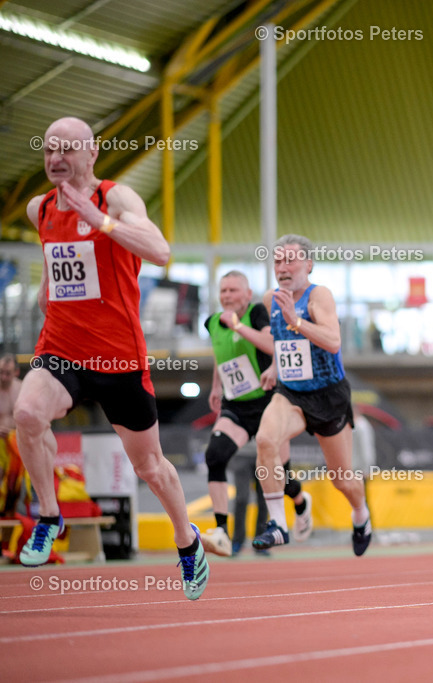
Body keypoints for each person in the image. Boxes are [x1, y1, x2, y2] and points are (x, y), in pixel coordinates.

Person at [13, 117, 208, 598]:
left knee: (150, 467)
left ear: (92, 154)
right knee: (27, 413)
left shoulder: (114, 200)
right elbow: (57, 266)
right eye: (48, 151)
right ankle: (50, 516)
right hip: (61, 348)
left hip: (119, 357)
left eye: (66, 150)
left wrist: (100, 221)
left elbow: (161, 251)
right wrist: (47, 292)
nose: (55, 159)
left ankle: (188, 542)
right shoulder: (39, 209)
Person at [252, 235, 371, 555]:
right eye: (277, 261)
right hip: (291, 394)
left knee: (342, 480)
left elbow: (333, 342)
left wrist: (297, 320)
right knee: (265, 440)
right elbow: (282, 340)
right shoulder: (270, 299)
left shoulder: (319, 297)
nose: (283, 267)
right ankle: (278, 524)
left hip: (328, 396)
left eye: (290, 260)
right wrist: (276, 365)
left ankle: (361, 514)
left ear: (308, 264)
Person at [199, 271, 312, 556]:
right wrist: (215, 386)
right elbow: (220, 353)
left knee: (281, 478)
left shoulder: (257, 313)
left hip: (268, 404)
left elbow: (270, 345)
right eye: (223, 291)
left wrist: (237, 326)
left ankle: (300, 503)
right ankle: (222, 531)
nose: (227, 296)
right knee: (215, 455)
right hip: (235, 405)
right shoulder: (213, 322)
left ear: (247, 295)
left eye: (233, 290)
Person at [1, 354, 26, 514]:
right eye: (0, 372)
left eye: (7, 373)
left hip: (17, 444)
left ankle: (19, 521)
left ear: (16, 372)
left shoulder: (23, 388)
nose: (3, 377)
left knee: (18, 485)